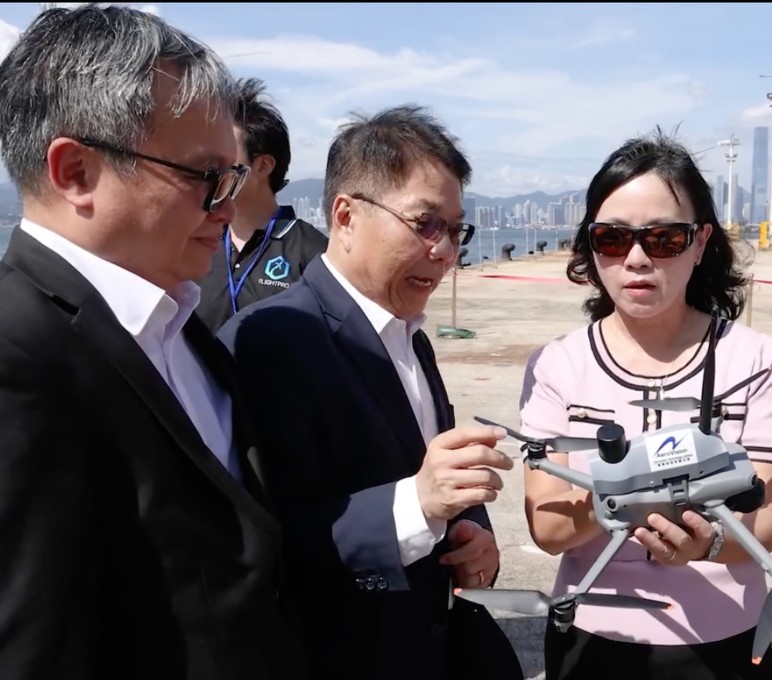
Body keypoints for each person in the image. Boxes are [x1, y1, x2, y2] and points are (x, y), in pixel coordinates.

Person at [0, 5, 307, 680]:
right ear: (75, 171)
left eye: (232, 176)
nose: (227, 205)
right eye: (205, 178)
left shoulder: (182, 328)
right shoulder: (18, 353)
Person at [217, 104, 523, 680]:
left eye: (456, 230)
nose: (445, 251)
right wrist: (419, 504)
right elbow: (261, 545)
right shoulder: (269, 342)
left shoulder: (409, 335)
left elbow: (432, 474)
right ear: (346, 215)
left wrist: (472, 533)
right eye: (425, 223)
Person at [519, 128, 772, 680]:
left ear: (700, 244)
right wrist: (655, 492)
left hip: (723, 643)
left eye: (665, 239)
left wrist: (709, 542)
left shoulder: (752, 359)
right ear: (591, 247)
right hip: (594, 638)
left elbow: (765, 517)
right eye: (613, 239)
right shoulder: (557, 364)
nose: (638, 258)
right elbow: (548, 528)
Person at [196, 77, 327, 332]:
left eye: (227, 156)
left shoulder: (314, 254)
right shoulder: (198, 242)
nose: (214, 169)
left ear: (263, 165)